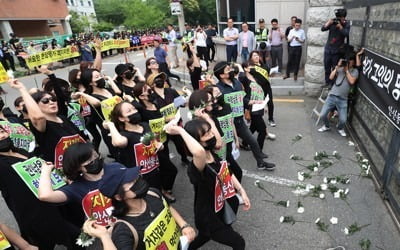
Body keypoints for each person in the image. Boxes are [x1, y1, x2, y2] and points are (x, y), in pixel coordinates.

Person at [165, 119, 250, 249]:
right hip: (208, 218)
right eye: (205, 134)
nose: (211, 136)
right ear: (196, 140)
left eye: (210, 131)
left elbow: (226, 172)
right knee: (238, 242)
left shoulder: (213, 154)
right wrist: (179, 130)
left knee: (204, 237)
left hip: (220, 209)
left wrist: (241, 191)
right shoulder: (197, 165)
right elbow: (198, 152)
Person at [0, 126, 79, 249]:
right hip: (36, 215)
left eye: (2, 132)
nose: (2, 136)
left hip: (54, 201)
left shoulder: (20, 150)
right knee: (76, 238)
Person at [93, 166, 197, 249]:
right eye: (130, 182)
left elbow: (167, 207)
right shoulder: (124, 231)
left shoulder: (153, 193)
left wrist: (184, 225)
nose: (137, 180)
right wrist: (104, 236)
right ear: (119, 196)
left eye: (135, 177)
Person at [214, 61, 276, 170]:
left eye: (230, 68)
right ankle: (224, 171)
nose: (231, 71)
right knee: (227, 151)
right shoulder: (218, 89)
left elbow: (242, 98)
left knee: (252, 141)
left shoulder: (237, 83)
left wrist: (252, 102)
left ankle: (260, 163)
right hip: (227, 125)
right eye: (228, 70)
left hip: (239, 121)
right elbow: (216, 107)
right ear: (221, 75)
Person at [318, 55, 358, 137]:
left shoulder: (355, 71)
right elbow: (331, 77)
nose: (348, 62)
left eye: (350, 60)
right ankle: (326, 126)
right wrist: (337, 66)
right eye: (347, 60)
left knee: (343, 120)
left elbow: (352, 82)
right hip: (332, 96)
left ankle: (340, 128)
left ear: (353, 62)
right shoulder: (340, 69)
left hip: (343, 99)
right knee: (322, 115)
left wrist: (347, 71)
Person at [321, 8, 350, 87]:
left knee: (335, 68)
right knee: (327, 68)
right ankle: (327, 83)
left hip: (337, 51)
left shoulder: (346, 24)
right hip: (328, 50)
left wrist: (341, 27)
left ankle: (332, 84)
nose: (338, 19)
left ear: (343, 17)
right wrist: (328, 23)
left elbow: (346, 34)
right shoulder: (333, 21)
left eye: (340, 17)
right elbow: (322, 29)